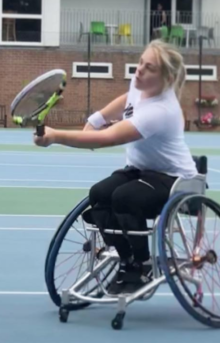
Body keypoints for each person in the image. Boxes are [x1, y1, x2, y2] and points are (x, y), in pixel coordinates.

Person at [34, 39, 197, 294]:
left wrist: (55, 136)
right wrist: (96, 118)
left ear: (166, 78)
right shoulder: (139, 85)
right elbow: (127, 99)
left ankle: (142, 265)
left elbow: (107, 139)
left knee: (125, 198)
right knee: (99, 194)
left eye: (149, 68)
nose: (140, 70)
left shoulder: (161, 111)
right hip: (140, 171)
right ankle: (126, 259)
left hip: (174, 180)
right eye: (141, 62)